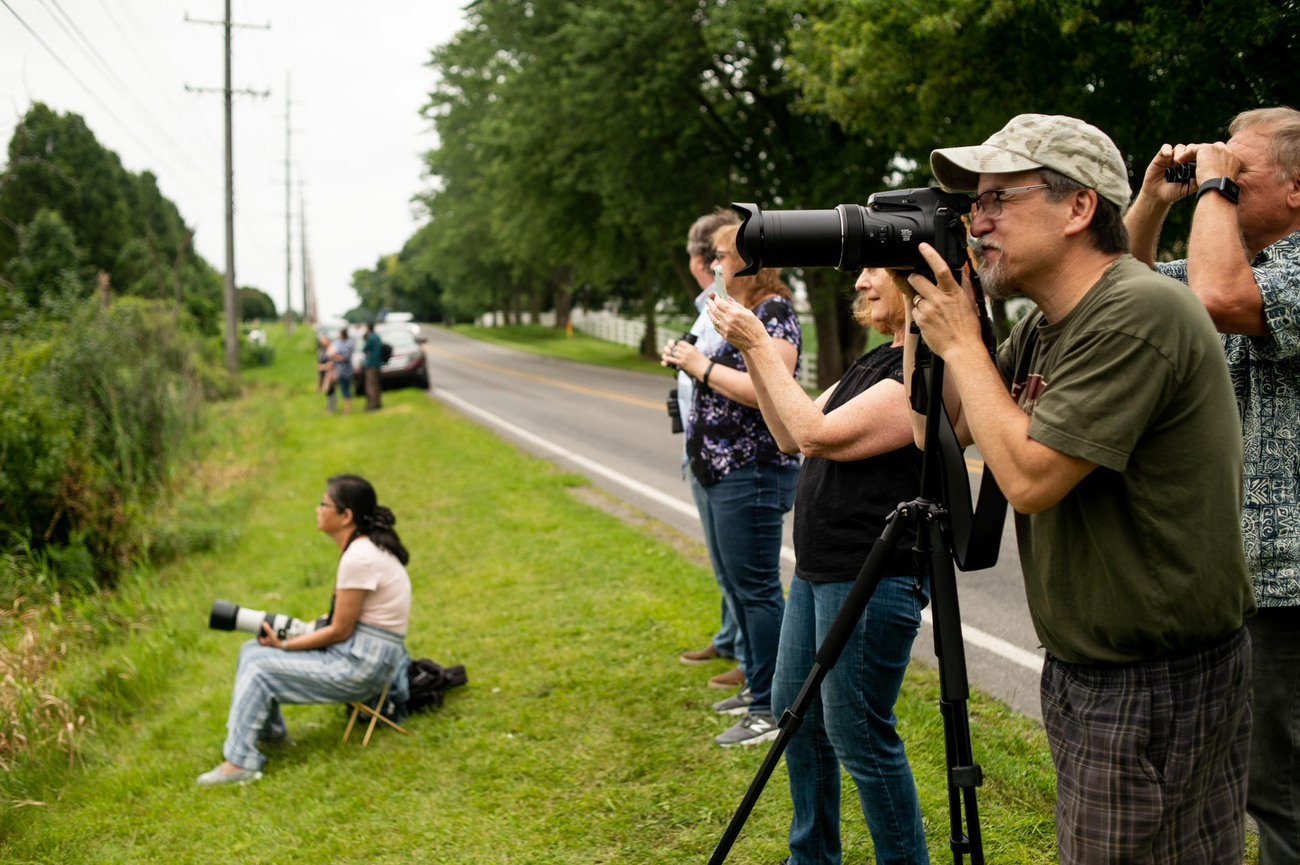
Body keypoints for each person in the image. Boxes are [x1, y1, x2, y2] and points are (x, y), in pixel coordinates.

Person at [903, 114, 1255, 862]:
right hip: (1096, 673)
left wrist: (963, 340)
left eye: (998, 198)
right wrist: (922, 309)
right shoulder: (1047, 326)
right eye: (973, 205)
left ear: (1077, 207)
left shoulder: (1138, 310)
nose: (978, 219)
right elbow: (939, 427)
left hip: (1153, 686)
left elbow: (1029, 478)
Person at [1125, 106, 1300, 865]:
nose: (1217, 176)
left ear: (1297, 190)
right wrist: (1152, 201)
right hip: (1233, 577)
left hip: (1291, 584)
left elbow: (1220, 298)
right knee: (1238, 779)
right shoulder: (1229, 256)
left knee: (1285, 789)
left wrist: (1212, 190)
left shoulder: (1279, 270)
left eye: (1240, 168)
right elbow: (1124, 290)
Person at [709, 267, 929, 863]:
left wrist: (757, 341)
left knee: (858, 733)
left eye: (873, 270)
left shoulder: (922, 367)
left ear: (914, 278)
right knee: (796, 720)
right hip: (820, 569)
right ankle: (811, 857)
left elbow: (816, 434)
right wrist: (752, 353)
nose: (857, 282)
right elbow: (786, 432)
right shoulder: (873, 359)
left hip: (872, 574)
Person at [661, 222, 801, 747]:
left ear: (750, 261)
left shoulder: (775, 313)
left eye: (721, 257)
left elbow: (773, 383)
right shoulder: (728, 312)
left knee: (759, 590)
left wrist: (699, 366)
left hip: (752, 470)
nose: (715, 266)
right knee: (738, 587)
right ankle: (756, 683)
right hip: (716, 469)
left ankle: (772, 704)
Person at [197, 474, 412, 785]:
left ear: (345, 516)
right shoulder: (363, 550)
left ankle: (239, 764)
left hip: (362, 666)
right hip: (363, 654)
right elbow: (343, 618)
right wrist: (297, 634)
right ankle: (269, 735)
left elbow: (340, 630)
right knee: (251, 650)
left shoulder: (359, 557)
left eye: (323, 504)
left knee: (260, 665)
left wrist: (285, 647)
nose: (317, 509)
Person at [675, 207, 748, 692]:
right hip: (705, 453)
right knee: (724, 563)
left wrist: (696, 365)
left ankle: (751, 662)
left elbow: (754, 381)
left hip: (735, 458)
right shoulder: (711, 303)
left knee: (746, 575)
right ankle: (730, 639)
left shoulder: (749, 308)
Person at [328, 328, 355, 415]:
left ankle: (347, 408)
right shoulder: (339, 342)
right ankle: (338, 406)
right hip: (338, 369)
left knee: (345, 388)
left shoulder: (348, 343)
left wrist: (336, 357)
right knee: (340, 388)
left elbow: (346, 357)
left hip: (345, 370)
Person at [362, 322, 384, 412]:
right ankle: (378, 403)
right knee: (377, 385)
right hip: (378, 363)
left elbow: (364, 348)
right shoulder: (377, 337)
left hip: (371, 364)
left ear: (368, 329)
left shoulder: (370, 337)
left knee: (370, 385)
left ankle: (372, 405)